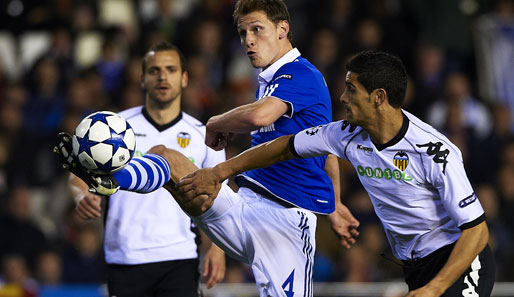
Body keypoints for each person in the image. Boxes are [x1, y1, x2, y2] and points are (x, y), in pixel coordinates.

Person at [54, 1, 359, 296]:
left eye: (257, 29)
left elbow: (258, 116)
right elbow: (323, 148)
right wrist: (336, 204)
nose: (248, 41)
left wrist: (215, 122)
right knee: (165, 155)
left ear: (283, 29)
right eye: (242, 33)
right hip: (248, 207)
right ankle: (109, 179)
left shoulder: (301, 74)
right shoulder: (270, 81)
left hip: (285, 221)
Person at [177, 50, 496, 297]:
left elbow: (477, 231)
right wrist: (220, 171)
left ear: (379, 97)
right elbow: (285, 146)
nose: (342, 98)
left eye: (351, 89)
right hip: (414, 265)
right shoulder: (346, 134)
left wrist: (434, 289)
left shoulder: (434, 152)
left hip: (461, 260)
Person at [67, 41, 226, 297]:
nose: (163, 76)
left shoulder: (204, 135)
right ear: (142, 79)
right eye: (154, 70)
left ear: (184, 78)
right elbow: (78, 175)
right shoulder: (113, 127)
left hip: (180, 257)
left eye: (171, 69)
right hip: (125, 257)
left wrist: (218, 249)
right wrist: (81, 195)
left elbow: (221, 197)